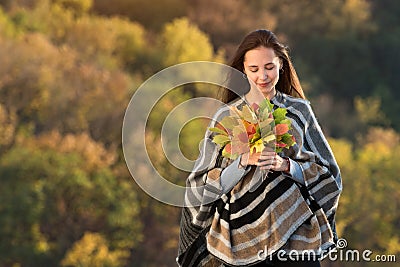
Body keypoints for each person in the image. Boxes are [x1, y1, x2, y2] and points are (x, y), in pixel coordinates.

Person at [177, 29, 342, 267]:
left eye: (269, 67)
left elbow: (330, 174)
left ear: (281, 66)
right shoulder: (226, 116)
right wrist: (243, 162)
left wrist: (286, 165)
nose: (262, 76)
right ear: (243, 70)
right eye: (254, 69)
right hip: (238, 238)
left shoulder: (299, 111)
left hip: (295, 233)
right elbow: (199, 184)